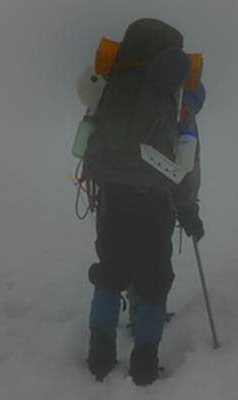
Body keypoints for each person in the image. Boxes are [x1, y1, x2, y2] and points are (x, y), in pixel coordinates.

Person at [81, 18, 205, 385]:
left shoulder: (113, 84)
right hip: (155, 198)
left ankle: (99, 356)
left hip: (111, 193)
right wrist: (189, 210)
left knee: (110, 270)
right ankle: (145, 365)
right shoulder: (178, 98)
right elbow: (188, 166)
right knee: (154, 278)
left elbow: (91, 138)